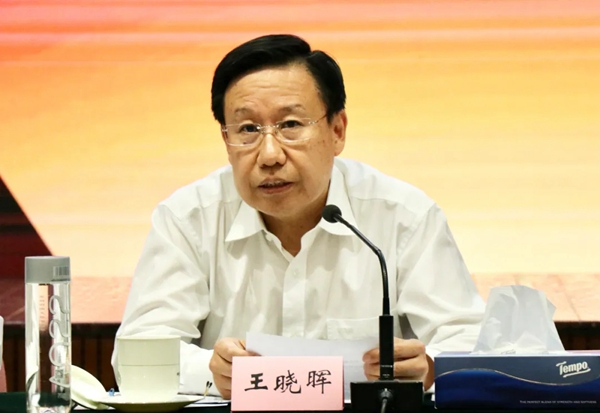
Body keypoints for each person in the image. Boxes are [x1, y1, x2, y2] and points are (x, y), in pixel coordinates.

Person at [112, 34, 485, 399]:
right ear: (226, 141)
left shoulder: (403, 216)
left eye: (290, 125)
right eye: (248, 130)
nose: (270, 155)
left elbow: (470, 342)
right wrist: (211, 372)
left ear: (337, 131)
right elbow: (137, 354)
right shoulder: (188, 219)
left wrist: (429, 368)